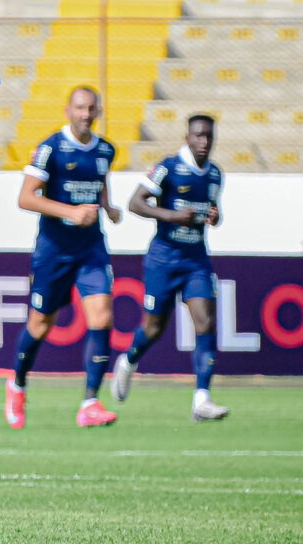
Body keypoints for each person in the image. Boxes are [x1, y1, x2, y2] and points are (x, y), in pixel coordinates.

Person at [5, 86, 121, 430]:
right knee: (41, 324)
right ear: (68, 110)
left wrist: (108, 207)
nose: (86, 114)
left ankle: (90, 403)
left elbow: (98, 184)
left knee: (102, 318)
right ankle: (18, 384)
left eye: (92, 109)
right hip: (54, 251)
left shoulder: (105, 150)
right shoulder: (50, 149)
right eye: (80, 108)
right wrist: (70, 212)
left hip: (91, 249)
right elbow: (26, 198)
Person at [112, 114, 229, 423]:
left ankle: (201, 398)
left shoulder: (215, 175)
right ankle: (128, 361)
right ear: (187, 137)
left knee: (204, 322)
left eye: (208, 137)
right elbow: (135, 203)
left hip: (196, 261)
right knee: (153, 328)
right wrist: (172, 216)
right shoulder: (169, 168)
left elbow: (211, 213)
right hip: (163, 259)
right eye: (198, 136)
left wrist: (215, 218)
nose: (204, 142)